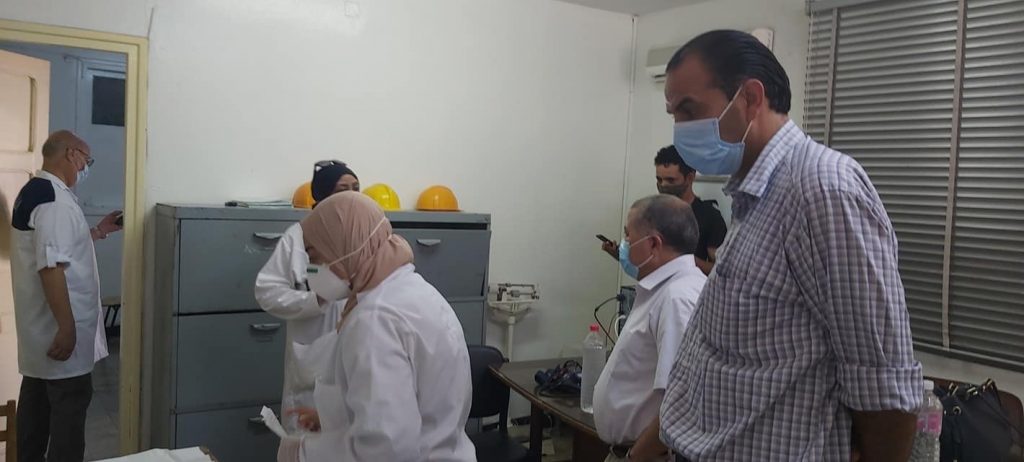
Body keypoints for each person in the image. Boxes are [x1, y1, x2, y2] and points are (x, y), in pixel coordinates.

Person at [657, 30, 922, 462]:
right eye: (674, 115)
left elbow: (883, 384)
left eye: (689, 111)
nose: (681, 130)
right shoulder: (753, 194)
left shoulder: (821, 189)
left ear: (749, 98)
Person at [276, 192, 475, 462]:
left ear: (343, 247)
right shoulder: (415, 290)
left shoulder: (374, 319)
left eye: (314, 256)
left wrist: (301, 453)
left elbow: (386, 449)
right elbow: (410, 403)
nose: (311, 270)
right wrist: (334, 420)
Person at [10, 130, 123, 462]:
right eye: (87, 160)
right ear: (72, 154)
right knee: (67, 423)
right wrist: (67, 327)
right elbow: (51, 266)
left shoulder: (37, 191)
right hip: (58, 337)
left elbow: (60, 247)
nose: (86, 168)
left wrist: (98, 231)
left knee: (34, 417)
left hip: (39, 336)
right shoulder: (54, 201)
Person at [593, 195, 706, 462]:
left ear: (654, 243)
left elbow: (681, 404)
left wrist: (635, 457)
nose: (623, 244)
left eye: (628, 236)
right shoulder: (663, 290)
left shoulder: (678, 298)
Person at [254, 160, 360, 428]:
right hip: (312, 361)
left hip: (356, 351)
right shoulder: (298, 237)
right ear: (323, 195)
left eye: (356, 188)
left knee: (351, 430)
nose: (351, 196)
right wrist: (314, 300)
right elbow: (266, 292)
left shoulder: (363, 234)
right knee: (307, 437)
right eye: (343, 189)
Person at [601, 147, 726, 276]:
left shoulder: (709, 216)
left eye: (671, 180)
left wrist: (685, 260)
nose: (664, 185)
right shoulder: (652, 212)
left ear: (689, 178)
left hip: (687, 285)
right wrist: (622, 255)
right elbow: (646, 263)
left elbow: (719, 271)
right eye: (659, 180)